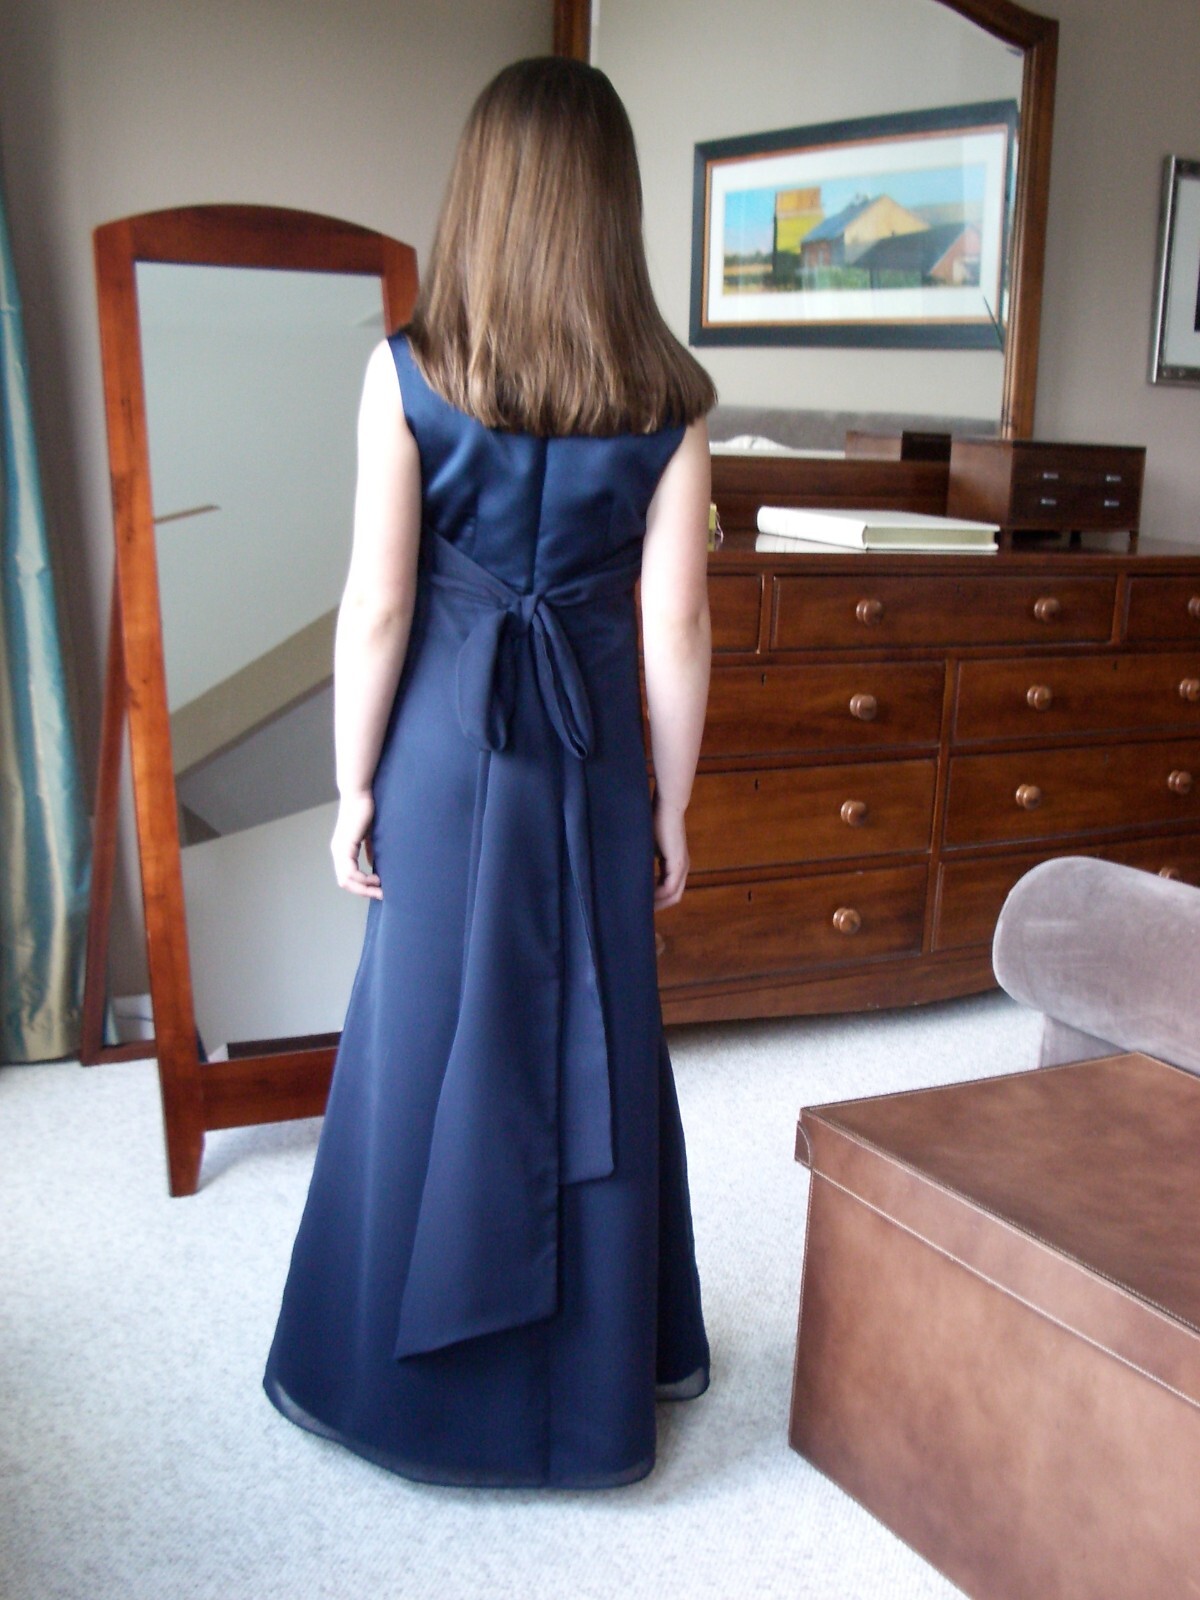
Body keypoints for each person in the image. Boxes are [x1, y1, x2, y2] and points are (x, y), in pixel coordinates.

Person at [264, 55, 715, 1489]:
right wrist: (672, 803)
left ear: (482, 198)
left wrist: (352, 785)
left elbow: (378, 605)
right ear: (613, 210)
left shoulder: (408, 374)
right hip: (590, 761)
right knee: (596, 1029)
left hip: (449, 758)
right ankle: (590, 1387)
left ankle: (405, 1379)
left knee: (423, 1032)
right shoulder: (669, 398)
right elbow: (676, 629)